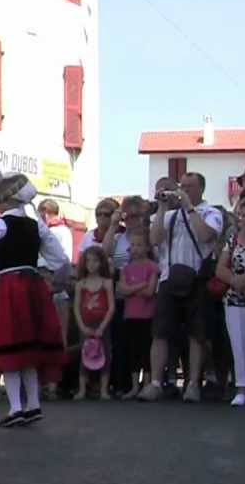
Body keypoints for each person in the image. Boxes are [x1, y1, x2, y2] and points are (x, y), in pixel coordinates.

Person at [0, 179, 69, 420]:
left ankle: (16, 407)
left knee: (10, 345)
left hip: (9, 288)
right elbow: (61, 260)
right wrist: (58, 283)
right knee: (28, 347)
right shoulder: (37, 226)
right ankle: (33, 404)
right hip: (33, 285)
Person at [139, 172, 223, 402]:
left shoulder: (211, 212)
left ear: (200, 189)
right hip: (169, 277)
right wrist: (162, 209)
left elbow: (206, 235)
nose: (183, 190)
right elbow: (155, 239)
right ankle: (156, 383)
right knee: (160, 332)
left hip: (197, 277)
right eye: (181, 186)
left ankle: (194, 383)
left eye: (189, 186)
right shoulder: (170, 215)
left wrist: (189, 208)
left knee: (197, 333)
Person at [215, 195, 245, 406]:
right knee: (239, 343)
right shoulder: (233, 239)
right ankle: (243, 387)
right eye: (242, 215)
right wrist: (235, 280)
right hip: (235, 296)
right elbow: (220, 268)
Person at [117, 230, 160, 400]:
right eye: (132, 245)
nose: (135, 248)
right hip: (130, 315)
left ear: (147, 247)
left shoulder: (152, 266)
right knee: (133, 350)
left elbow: (150, 291)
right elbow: (123, 289)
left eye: (139, 245)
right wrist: (141, 285)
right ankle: (134, 386)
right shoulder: (126, 268)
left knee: (146, 350)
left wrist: (133, 288)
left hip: (147, 315)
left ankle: (147, 384)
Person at [73, 246, 115, 401]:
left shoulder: (107, 283)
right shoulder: (81, 284)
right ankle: (82, 389)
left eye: (95, 261)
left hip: (102, 324)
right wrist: (82, 326)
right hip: (85, 324)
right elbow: (76, 308)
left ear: (101, 263)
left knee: (105, 355)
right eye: (88, 261)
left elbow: (111, 307)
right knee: (84, 355)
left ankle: (104, 389)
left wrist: (102, 326)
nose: (91, 264)